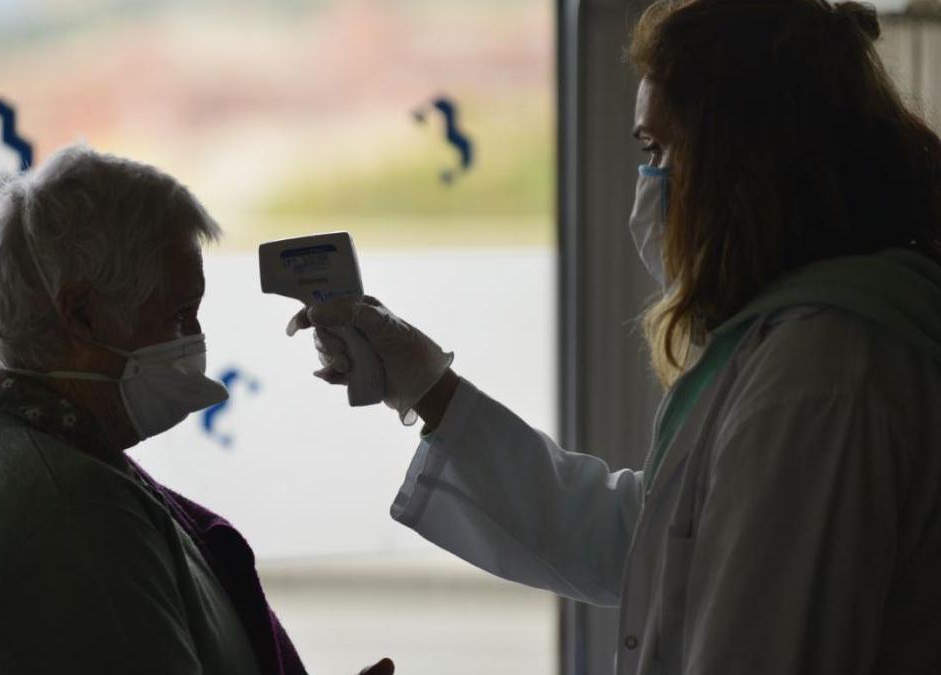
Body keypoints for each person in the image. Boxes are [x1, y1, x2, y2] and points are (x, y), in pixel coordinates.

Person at [289, 0, 941, 672]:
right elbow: (646, 535)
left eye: (658, 151)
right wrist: (426, 384)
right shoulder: (795, 341)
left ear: (744, 166)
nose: (647, 184)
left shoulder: (822, 375)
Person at [0, 145, 395, 675]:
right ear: (81, 314)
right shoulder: (70, 522)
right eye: (178, 316)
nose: (195, 340)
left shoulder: (21, 446)